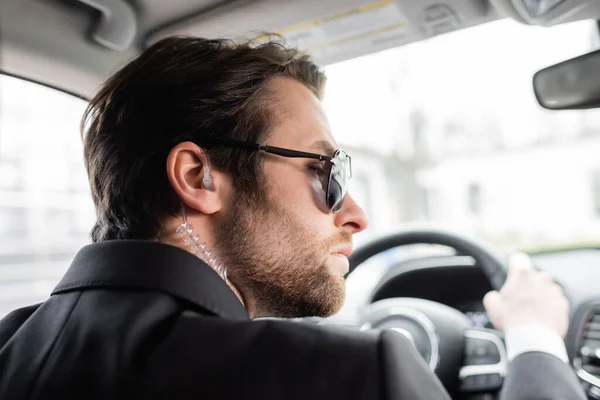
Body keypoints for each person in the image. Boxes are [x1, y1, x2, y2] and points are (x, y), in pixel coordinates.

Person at [0, 37, 586, 400]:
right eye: (327, 172)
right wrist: (534, 339)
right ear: (199, 178)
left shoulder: (11, 349)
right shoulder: (351, 374)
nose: (355, 214)